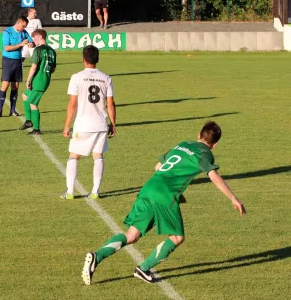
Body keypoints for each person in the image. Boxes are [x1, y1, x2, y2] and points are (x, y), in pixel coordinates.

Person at [81, 121, 246, 285]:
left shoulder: (182, 144)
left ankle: (98, 256)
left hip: (149, 188)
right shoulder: (205, 153)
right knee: (177, 237)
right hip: (165, 195)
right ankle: (143, 269)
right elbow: (213, 175)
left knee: (131, 235)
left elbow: (158, 166)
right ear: (215, 144)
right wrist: (233, 198)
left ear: (199, 134)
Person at [61, 45, 116, 200]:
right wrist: (113, 123)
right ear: (97, 59)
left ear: (83, 59)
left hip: (83, 125)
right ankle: (95, 191)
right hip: (100, 124)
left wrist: (66, 125)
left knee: (74, 156)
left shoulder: (76, 77)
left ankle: (70, 192)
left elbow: (72, 104)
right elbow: (110, 104)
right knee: (98, 156)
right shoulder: (106, 78)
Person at [19, 29, 56, 135]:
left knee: (32, 103)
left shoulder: (38, 50)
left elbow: (34, 66)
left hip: (39, 80)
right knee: (25, 95)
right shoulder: (52, 51)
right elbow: (53, 68)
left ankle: (36, 129)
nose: (33, 39)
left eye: (34, 37)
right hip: (44, 79)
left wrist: (28, 79)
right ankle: (28, 121)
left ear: (40, 36)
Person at [0, 16, 33, 118]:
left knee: (15, 86)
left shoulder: (24, 32)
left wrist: (31, 44)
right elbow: (7, 48)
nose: (24, 28)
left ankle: (12, 111)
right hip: (8, 60)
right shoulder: (7, 32)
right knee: (5, 84)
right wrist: (21, 44)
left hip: (18, 61)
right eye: (23, 25)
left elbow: (30, 41)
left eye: (25, 26)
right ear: (19, 22)